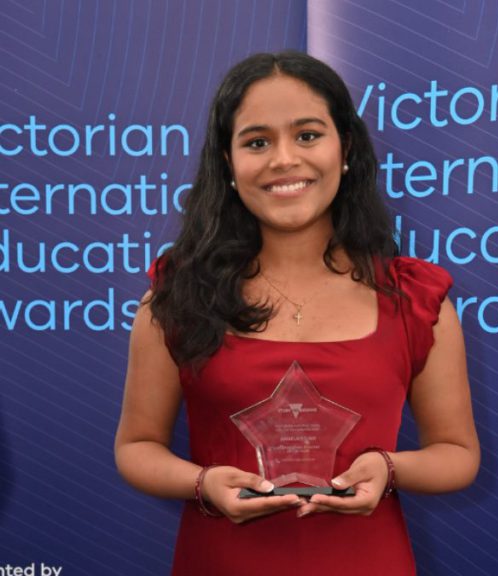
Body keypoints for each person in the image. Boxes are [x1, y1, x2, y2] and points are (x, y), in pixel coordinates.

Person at [114, 51, 479, 575]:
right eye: (257, 142)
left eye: (307, 134)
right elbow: (136, 446)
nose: (284, 159)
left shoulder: (414, 300)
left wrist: (388, 468)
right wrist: (202, 484)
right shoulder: (178, 296)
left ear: (345, 147)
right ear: (227, 162)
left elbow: (458, 454)